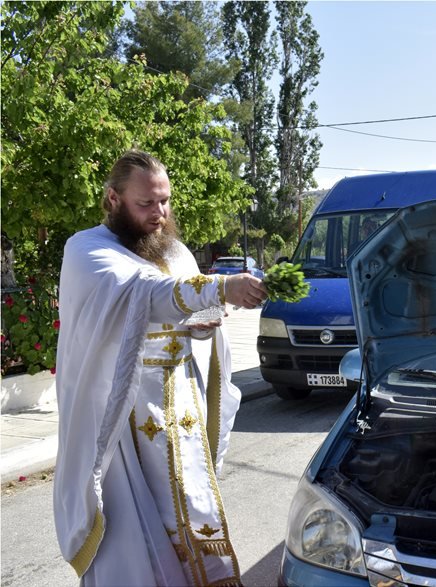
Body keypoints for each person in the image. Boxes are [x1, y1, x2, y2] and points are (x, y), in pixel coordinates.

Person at [54, 150, 267, 585]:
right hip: (125, 420)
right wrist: (223, 286)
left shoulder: (177, 252)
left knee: (193, 511)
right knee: (137, 533)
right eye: (146, 203)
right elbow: (147, 293)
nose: (160, 213)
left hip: (183, 412)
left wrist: (204, 330)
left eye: (165, 201)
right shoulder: (86, 249)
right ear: (113, 200)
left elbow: (188, 321)